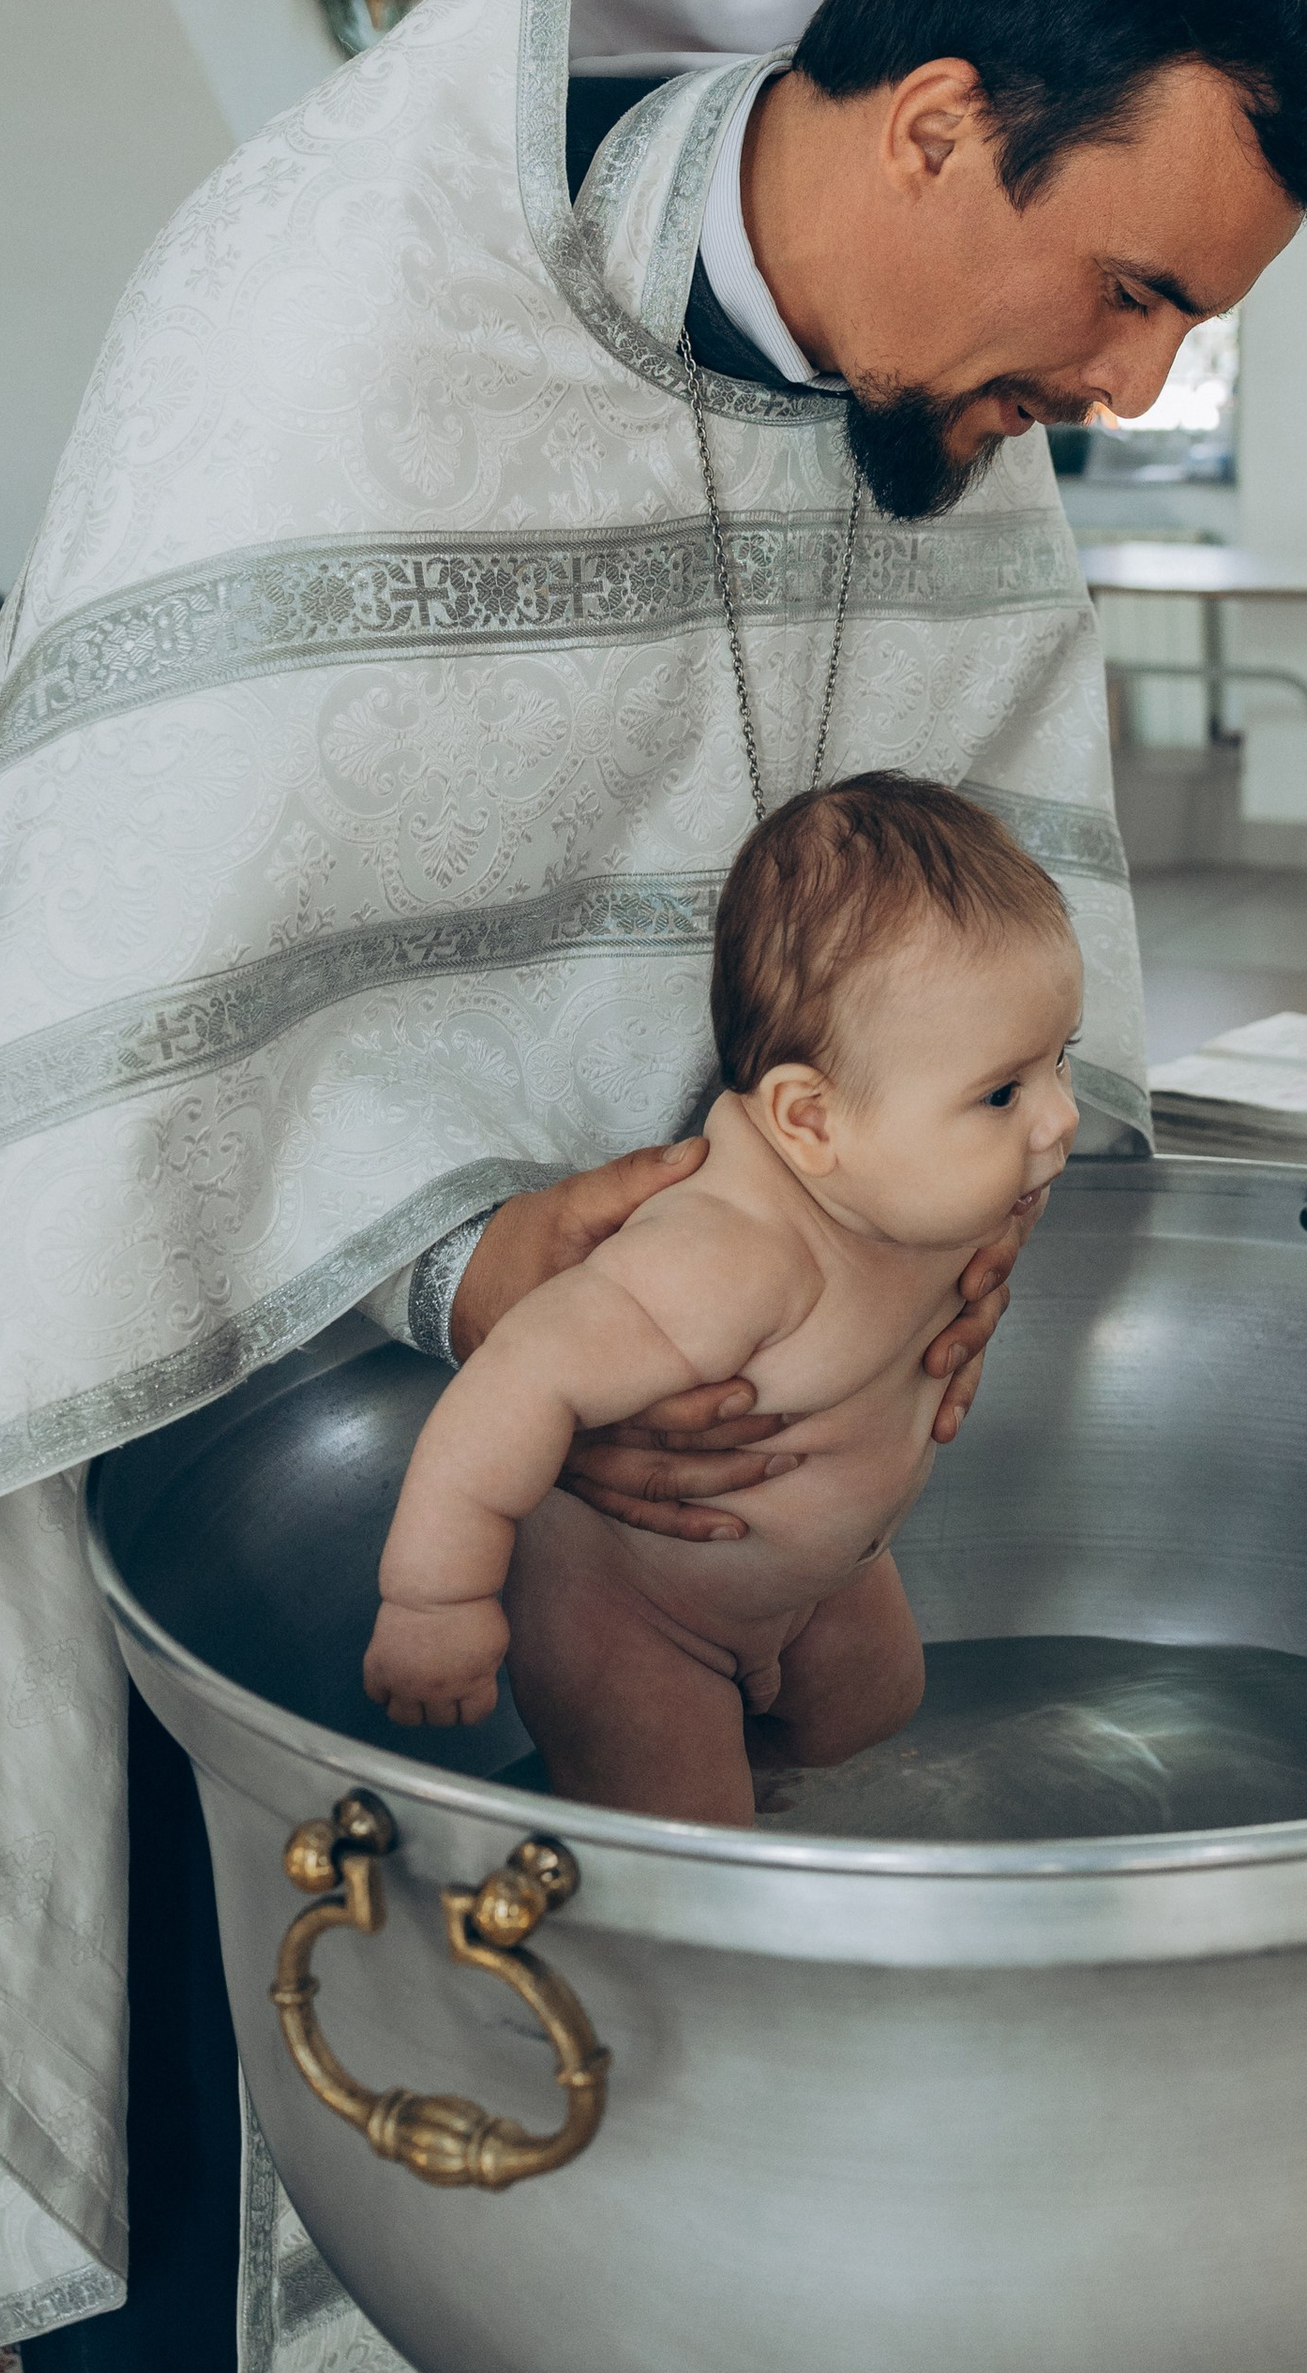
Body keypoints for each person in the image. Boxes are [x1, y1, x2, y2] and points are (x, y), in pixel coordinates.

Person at [0, 0, 1307, 2373]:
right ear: (930, 131)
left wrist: (967, 1209)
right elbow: (156, 991)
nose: (1126, 389)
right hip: (234, 1380)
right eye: (1133, 290)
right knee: (246, 2116)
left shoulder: (941, 416)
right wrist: (478, 1247)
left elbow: (985, 915)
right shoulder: (331, 319)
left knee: (682, 2036)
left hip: (696, 1428)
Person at [369, 776, 1082, 1821]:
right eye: (1004, 1093)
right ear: (808, 1121)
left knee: (875, 1713)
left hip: (817, 1579)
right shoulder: (724, 1255)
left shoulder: (921, 1181)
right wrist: (437, 1599)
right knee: (688, 1845)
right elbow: (518, 1378)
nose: (1061, 1118)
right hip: (638, 1622)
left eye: (1062, 1060)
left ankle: (779, 1794)